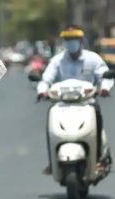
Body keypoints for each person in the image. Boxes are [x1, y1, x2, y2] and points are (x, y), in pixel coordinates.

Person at [37, 25, 113, 175]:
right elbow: (46, 79)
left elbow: (104, 75)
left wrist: (104, 88)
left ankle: (98, 160)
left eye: (74, 39)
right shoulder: (57, 61)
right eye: (67, 39)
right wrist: (42, 91)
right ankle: (52, 162)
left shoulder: (93, 59)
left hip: (87, 102)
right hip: (62, 104)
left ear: (80, 40)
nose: (71, 42)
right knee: (49, 124)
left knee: (97, 118)